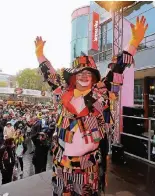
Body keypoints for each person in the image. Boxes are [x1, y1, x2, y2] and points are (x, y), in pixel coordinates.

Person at [34, 15, 148, 195]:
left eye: (88, 73)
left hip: (88, 167)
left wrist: (133, 42)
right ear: (72, 77)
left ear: (94, 77)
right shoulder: (63, 93)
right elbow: (50, 75)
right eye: (79, 73)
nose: (84, 76)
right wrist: (40, 54)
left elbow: (117, 68)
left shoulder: (100, 93)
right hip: (61, 163)